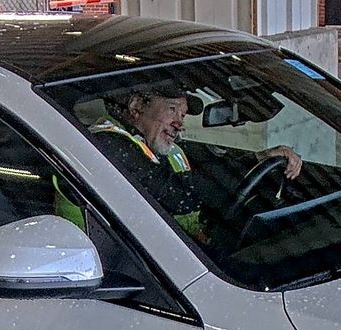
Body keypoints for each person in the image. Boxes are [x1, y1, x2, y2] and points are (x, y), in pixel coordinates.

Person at [88, 85, 302, 244]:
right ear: (136, 107)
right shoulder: (106, 145)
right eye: (172, 109)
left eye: (182, 114)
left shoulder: (163, 148)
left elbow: (210, 169)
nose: (180, 123)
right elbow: (177, 194)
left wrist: (259, 159)